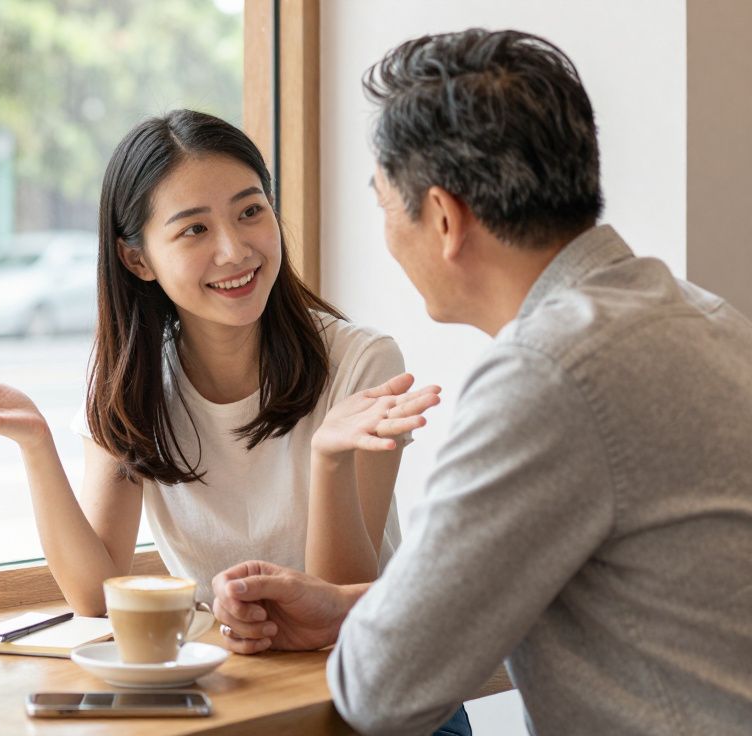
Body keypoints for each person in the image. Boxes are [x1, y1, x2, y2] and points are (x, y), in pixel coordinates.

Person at [209, 29, 752, 735]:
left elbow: (383, 687)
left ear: (442, 217)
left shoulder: (548, 376)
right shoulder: (700, 316)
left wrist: (363, 624)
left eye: (381, 202)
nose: (384, 227)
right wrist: (343, 609)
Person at [0, 111, 468, 734]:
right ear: (138, 259)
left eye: (250, 211)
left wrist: (330, 460)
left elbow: (337, 613)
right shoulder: (133, 383)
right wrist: (35, 444)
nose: (234, 249)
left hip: (384, 702)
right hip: (240, 694)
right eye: (194, 229)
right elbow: (98, 599)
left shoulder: (361, 361)